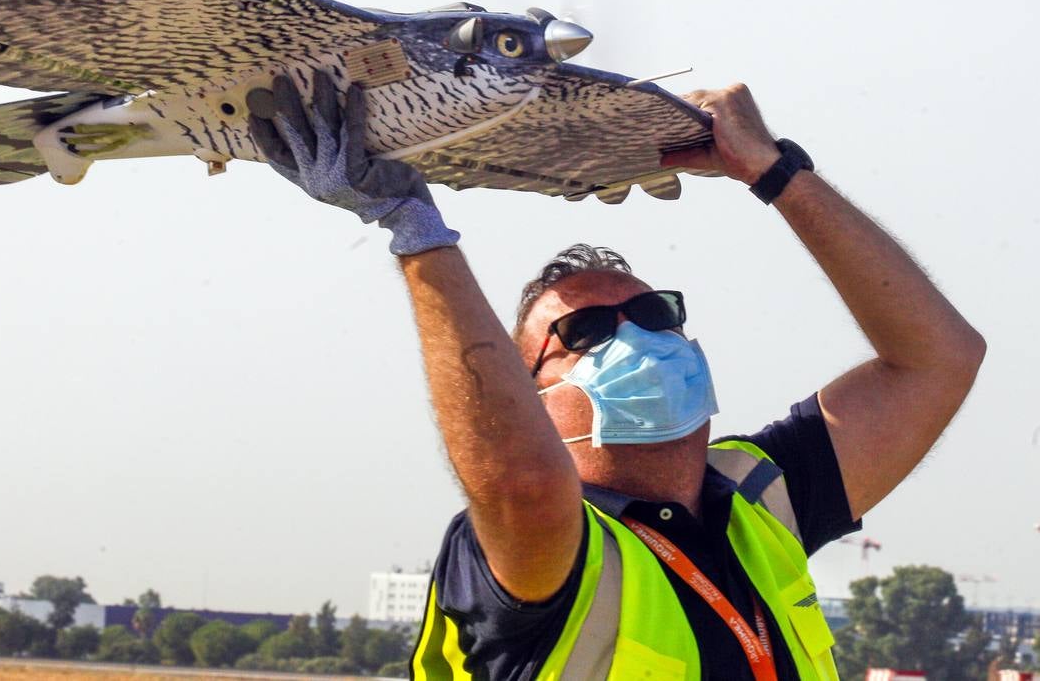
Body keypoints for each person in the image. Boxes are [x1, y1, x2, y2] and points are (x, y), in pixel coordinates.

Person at [248, 72, 985, 680]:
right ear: (529, 396)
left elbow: (938, 357)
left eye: (654, 314)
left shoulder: (761, 497)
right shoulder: (536, 543)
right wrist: (412, 230)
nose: (635, 337)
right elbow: (519, 484)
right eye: (584, 332)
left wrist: (774, 171)